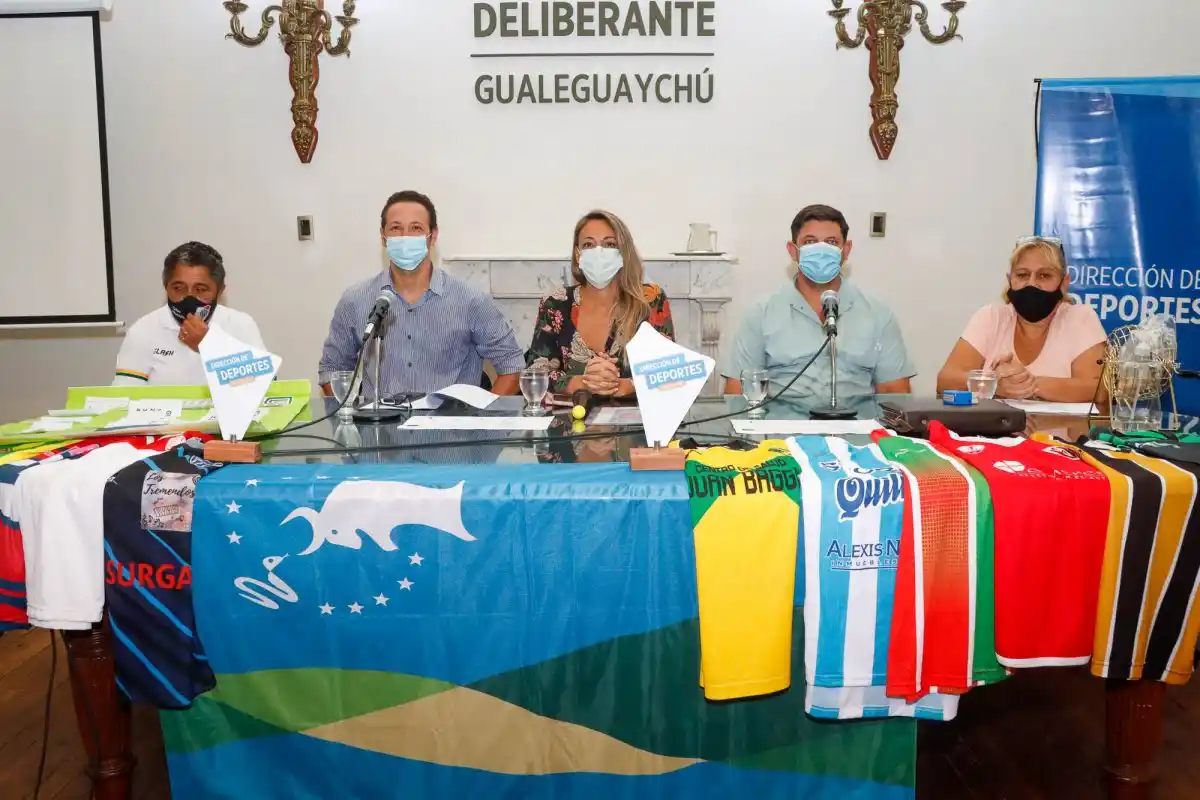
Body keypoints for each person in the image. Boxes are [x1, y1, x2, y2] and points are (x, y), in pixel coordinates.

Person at [318, 190, 525, 398]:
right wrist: (349, 422)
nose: (405, 237)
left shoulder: (470, 301)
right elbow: (331, 370)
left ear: (432, 236)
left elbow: (511, 366)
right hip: (379, 428)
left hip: (451, 427)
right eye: (396, 228)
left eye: (415, 228)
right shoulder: (355, 300)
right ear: (383, 237)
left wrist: (482, 422)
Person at [722, 205, 914, 405]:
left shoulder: (878, 312)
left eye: (831, 242)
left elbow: (895, 395)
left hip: (858, 427)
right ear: (793, 251)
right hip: (783, 429)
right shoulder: (761, 313)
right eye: (810, 242)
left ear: (845, 250)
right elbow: (738, 394)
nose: (821, 250)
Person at [936, 237, 1106, 402]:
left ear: (1064, 283)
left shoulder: (1080, 318)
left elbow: (1099, 389)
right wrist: (994, 383)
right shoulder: (991, 317)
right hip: (994, 430)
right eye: (1022, 275)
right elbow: (945, 381)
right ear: (1010, 280)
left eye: (1044, 275)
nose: (1031, 284)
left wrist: (1028, 384)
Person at [525, 210, 675, 397]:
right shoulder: (556, 303)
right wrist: (583, 382)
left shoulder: (651, 300)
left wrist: (625, 386)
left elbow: (669, 373)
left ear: (623, 253)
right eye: (588, 245)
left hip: (634, 422)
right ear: (578, 254)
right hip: (569, 422)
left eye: (609, 244)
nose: (599, 253)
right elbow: (534, 374)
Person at [113, 242, 264, 386]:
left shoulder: (240, 325)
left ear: (220, 290)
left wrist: (210, 345)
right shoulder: (143, 331)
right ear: (166, 287)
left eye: (200, 289)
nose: (189, 298)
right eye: (178, 288)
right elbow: (124, 397)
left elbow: (264, 387)